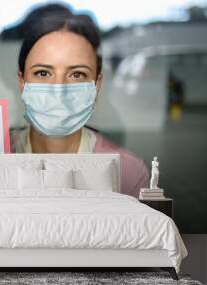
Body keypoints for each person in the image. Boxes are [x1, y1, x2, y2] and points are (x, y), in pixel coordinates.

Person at [10, 13, 149, 197]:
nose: (59, 90)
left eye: (77, 74)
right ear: (22, 81)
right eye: (43, 73)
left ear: (97, 84)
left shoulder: (127, 173)